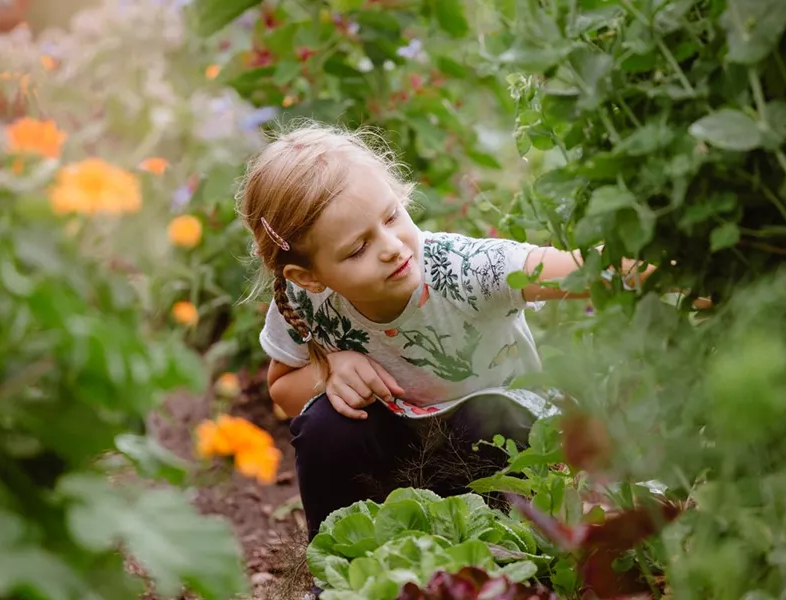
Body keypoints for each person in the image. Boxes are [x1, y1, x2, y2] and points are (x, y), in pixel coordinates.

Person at [237, 122, 653, 541]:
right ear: (308, 276)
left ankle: (519, 552)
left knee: (488, 416)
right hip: (399, 471)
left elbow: (583, 268)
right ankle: (342, 562)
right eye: (358, 248)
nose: (393, 247)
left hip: (502, 455)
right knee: (326, 427)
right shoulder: (303, 300)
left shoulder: (462, 271)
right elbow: (282, 391)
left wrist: (686, 275)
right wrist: (329, 371)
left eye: (391, 216)